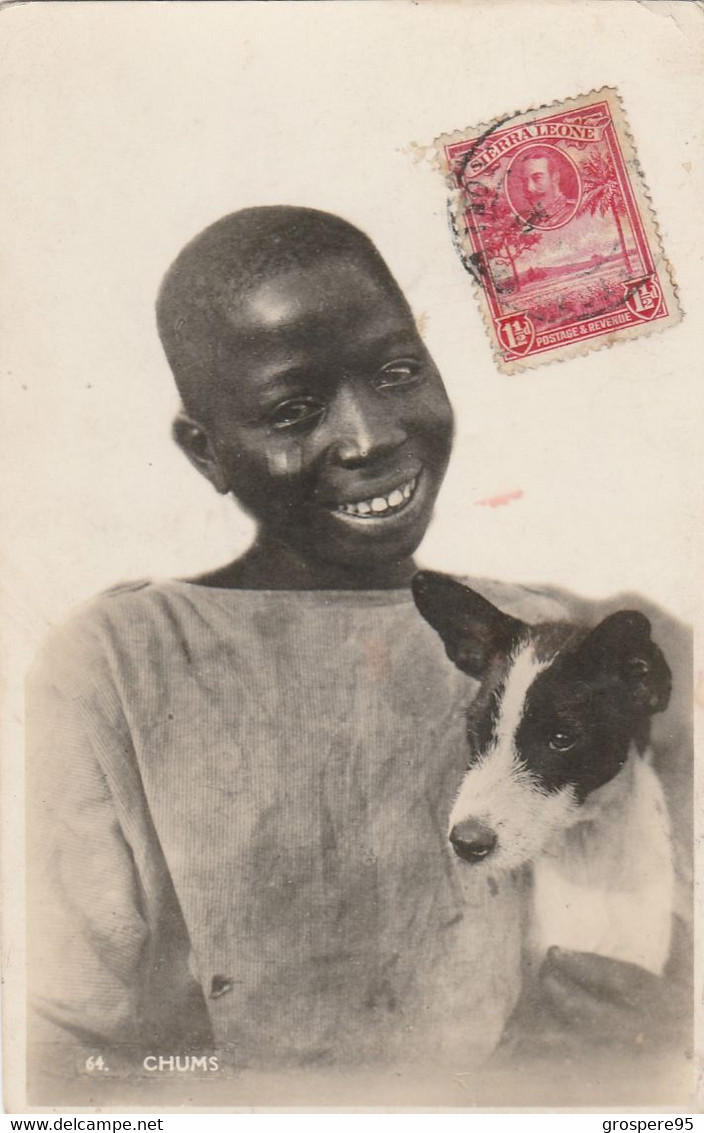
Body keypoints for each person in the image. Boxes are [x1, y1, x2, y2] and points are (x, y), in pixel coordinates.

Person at [26, 207, 691, 1102]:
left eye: (397, 370)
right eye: (294, 408)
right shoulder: (117, 663)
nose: (372, 435)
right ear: (205, 450)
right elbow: (59, 1062)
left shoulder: (548, 634)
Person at [514, 147, 577, 228]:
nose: (529, 188)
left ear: (555, 178)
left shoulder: (574, 212)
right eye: (524, 181)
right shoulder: (529, 222)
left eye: (537, 178)